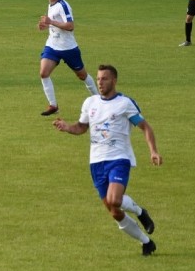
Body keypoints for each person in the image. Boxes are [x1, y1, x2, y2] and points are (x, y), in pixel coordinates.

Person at [53, 64, 162, 256]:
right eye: (98, 79)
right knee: (114, 212)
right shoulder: (90, 103)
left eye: (104, 79)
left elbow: (145, 127)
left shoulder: (125, 103)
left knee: (115, 199)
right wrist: (67, 127)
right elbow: (81, 127)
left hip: (119, 159)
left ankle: (139, 211)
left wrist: (153, 151)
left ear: (114, 81)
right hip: (96, 163)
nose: (100, 83)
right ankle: (146, 242)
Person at [37, 0, 98, 116]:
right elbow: (54, 23)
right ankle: (53, 105)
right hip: (52, 46)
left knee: (82, 76)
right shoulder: (51, 5)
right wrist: (45, 25)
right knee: (43, 73)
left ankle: (99, 99)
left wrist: (51, 21)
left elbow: (70, 26)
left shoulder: (63, 5)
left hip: (68, 48)